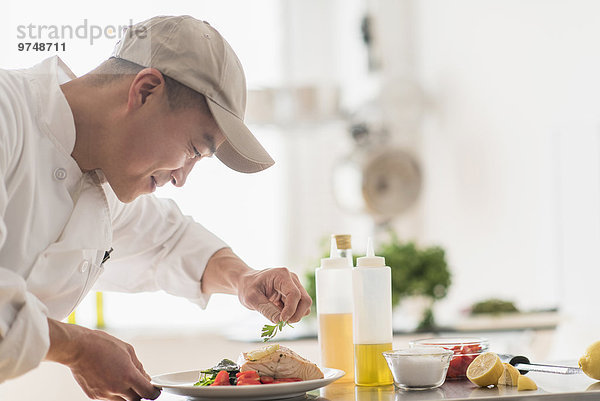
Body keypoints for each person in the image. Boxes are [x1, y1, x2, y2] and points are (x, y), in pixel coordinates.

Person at [0, 15, 312, 401]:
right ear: (145, 91)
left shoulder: (99, 184)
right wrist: (76, 347)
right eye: (194, 150)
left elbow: (170, 240)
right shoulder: (6, 113)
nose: (181, 179)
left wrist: (244, 279)